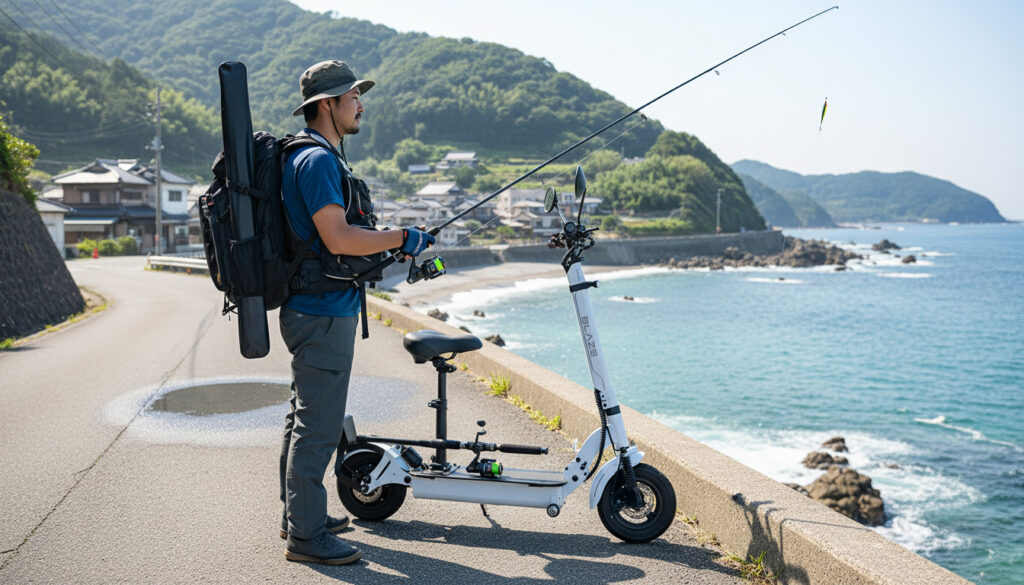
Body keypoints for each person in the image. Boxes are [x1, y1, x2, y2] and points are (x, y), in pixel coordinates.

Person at [278, 60, 434, 566]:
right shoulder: (317, 161)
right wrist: (402, 236)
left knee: (305, 417)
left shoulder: (310, 156)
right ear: (327, 105)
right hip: (322, 310)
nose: (360, 105)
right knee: (319, 426)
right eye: (353, 97)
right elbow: (339, 238)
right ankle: (306, 537)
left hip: (315, 306)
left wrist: (390, 240)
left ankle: (300, 517)